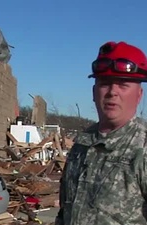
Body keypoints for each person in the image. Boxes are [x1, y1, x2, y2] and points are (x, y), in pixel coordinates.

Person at [55, 41, 147, 225]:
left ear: (139, 95)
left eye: (123, 84)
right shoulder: (82, 143)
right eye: (105, 83)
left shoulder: (142, 147)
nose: (112, 92)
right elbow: (65, 211)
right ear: (94, 91)